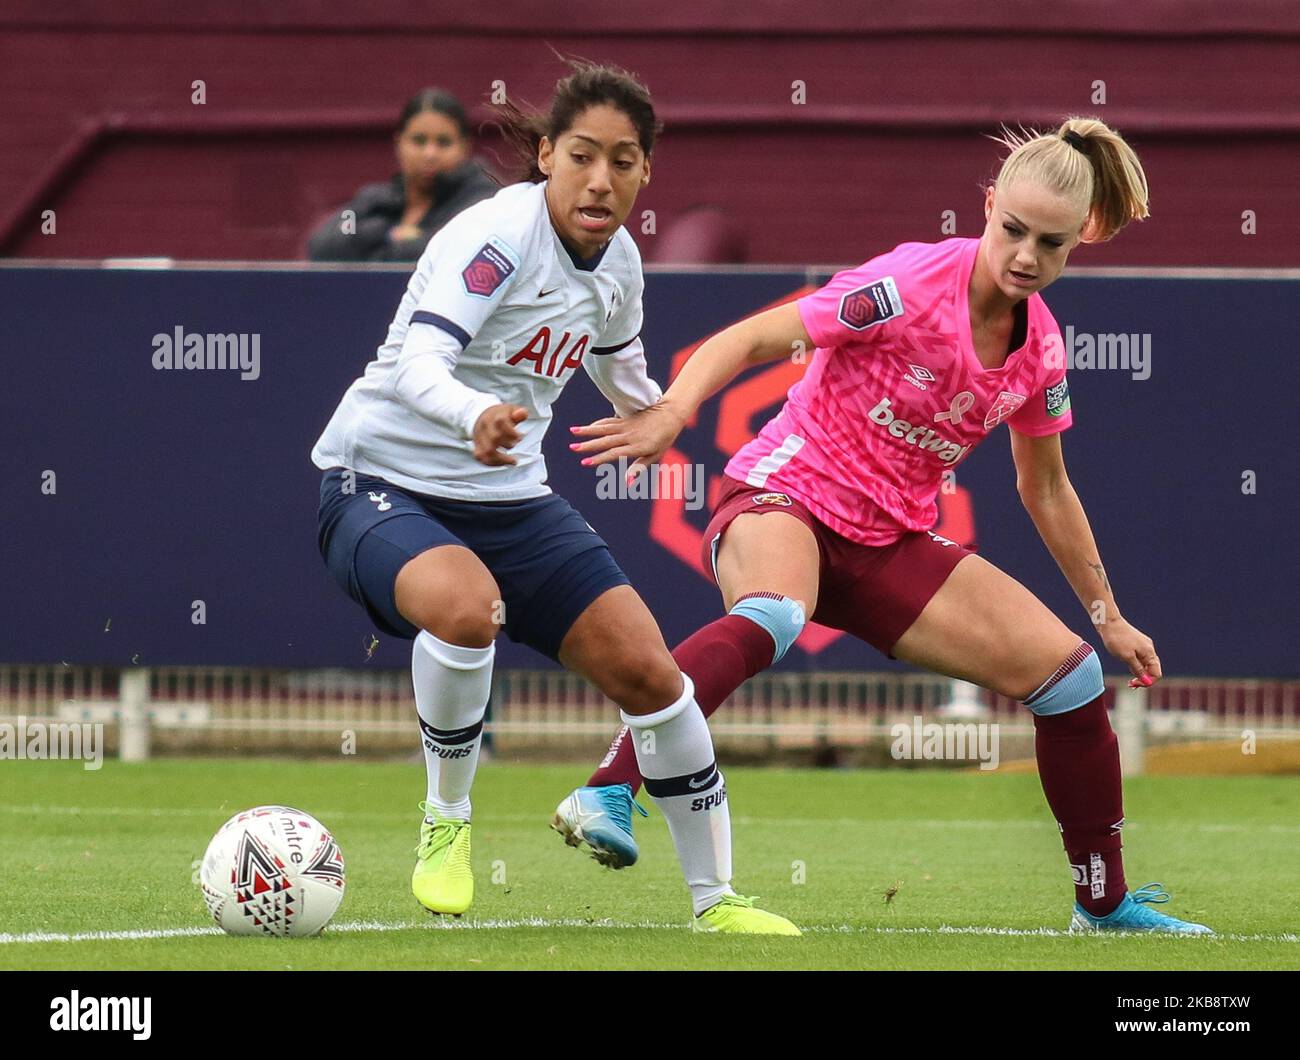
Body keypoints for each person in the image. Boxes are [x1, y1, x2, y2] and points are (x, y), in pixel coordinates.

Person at [557, 116, 1214, 935]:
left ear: (1078, 239)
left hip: (888, 542)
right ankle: (609, 786)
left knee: (1073, 683)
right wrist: (672, 414)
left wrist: (1108, 615)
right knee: (772, 613)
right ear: (988, 206)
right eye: (1012, 230)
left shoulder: (1040, 351)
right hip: (785, 495)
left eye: (1049, 244)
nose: (1023, 257)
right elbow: (758, 334)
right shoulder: (909, 284)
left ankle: (1103, 903)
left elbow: (1045, 489)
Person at [311, 62, 799, 935]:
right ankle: (446, 825)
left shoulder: (620, 265)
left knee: (657, 677)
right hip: (375, 481)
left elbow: (622, 372)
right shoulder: (493, 238)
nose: (601, 179)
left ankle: (714, 903)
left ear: (647, 171)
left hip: (510, 499)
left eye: (623, 160)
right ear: (546, 157)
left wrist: (658, 419)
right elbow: (420, 365)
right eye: (581, 156)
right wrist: (476, 414)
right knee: (466, 610)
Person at [307, 89, 498, 262]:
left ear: (465, 147)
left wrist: (375, 253)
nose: (429, 154)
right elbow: (322, 246)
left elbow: (449, 251)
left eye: (443, 142)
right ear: (399, 143)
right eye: (419, 141)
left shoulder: (484, 199)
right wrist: (388, 233)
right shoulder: (375, 199)